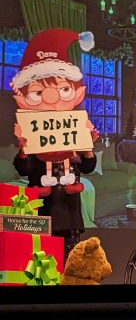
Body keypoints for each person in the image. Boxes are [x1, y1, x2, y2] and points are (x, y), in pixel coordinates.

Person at [11, 28, 98, 262]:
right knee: (41, 263)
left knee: (69, 262)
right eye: (39, 91)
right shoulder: (32, 130)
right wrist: (22, 149)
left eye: (62, 89)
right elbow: (23, 169)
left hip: (69, 212)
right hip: (42, 208)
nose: (52, 98)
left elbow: (88, 166)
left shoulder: (74, 126)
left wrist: (87, 146)